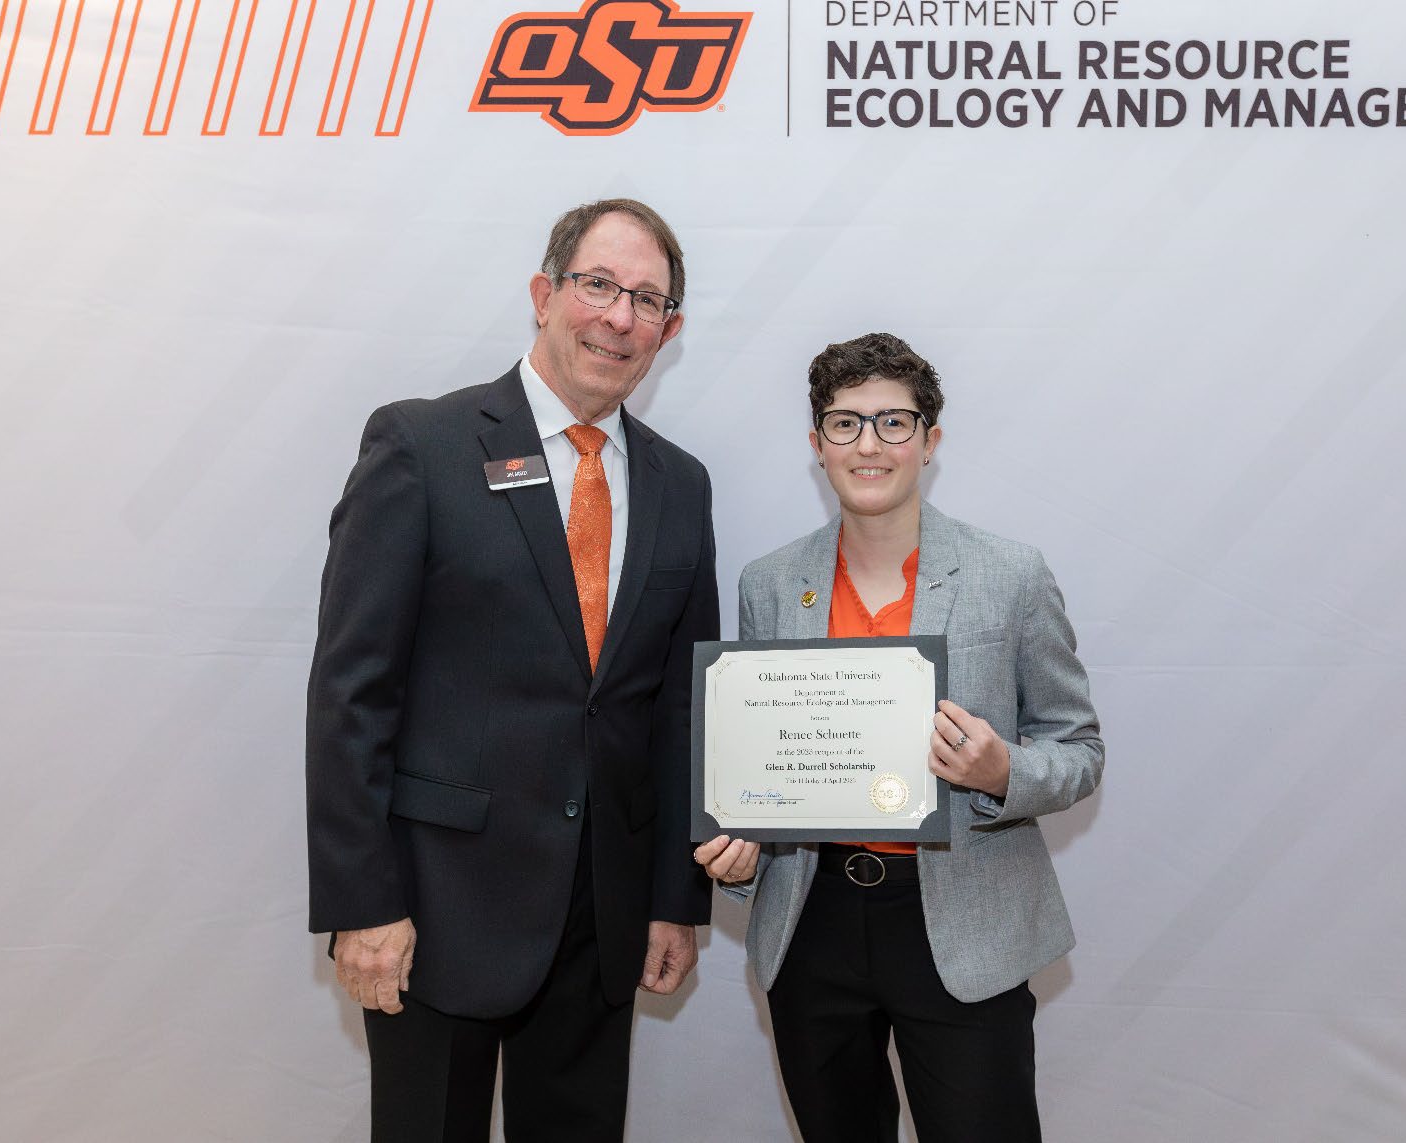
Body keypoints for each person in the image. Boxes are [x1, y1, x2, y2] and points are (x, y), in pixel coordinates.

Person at [306, 198, 719, 1142]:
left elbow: (678, 710)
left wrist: (671, 898)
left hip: (602, 915)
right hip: (435, 909)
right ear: (545, 293)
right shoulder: (422, 445)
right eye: (599, 285)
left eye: (646, 299)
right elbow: (350, 694)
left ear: (669, 330)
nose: (619, 316)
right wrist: (363, 903)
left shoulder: (679, 484)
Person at [696, 332, 1103, 1142]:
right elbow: (749, 759)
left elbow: (1077, 747)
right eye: (845, 424)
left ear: (929, 441)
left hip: (961, 920)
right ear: (817, 445)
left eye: (892, 422)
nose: (869, 444)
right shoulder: (769, 584)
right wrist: (736, 845)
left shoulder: (1011, 574)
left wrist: (1000, 770)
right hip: (810, 918)